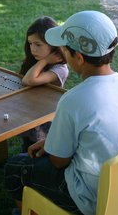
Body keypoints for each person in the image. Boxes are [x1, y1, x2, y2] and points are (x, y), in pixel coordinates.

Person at [4, 11, 118, 215]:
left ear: (78, 58)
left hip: (91, 197)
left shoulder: (73, 99)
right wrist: (51, 142)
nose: (60, 51)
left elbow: (59, 161)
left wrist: (55, 147)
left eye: (63, 48)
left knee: (15, 167)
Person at [19, 16, 69, 152]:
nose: (32, 49)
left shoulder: (60, 69)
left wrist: (45, 61)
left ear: (53, 44)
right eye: (30, 43)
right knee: (27, 143)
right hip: (32, 109)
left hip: (46, 118)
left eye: (38, 44)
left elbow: (29, 80)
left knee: (36, 148)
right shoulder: (36, 60)